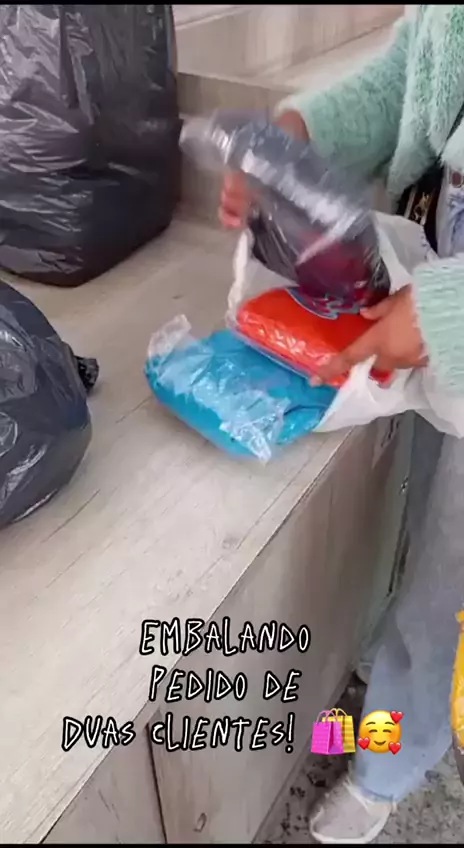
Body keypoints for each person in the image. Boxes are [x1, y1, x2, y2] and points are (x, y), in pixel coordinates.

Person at [220, 5, 464, 844]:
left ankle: (391, 760)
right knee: (430, 526)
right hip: (439, 273)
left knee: (445, 582)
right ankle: (401, 690)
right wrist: (301, 138)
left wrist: (451, 314)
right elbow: (415, 75)